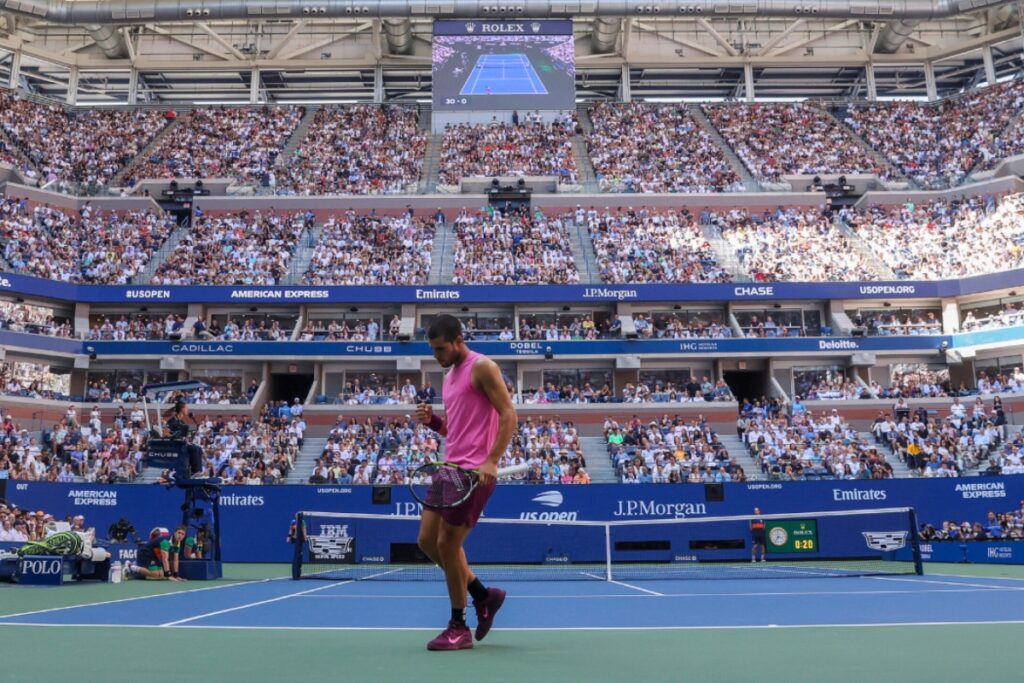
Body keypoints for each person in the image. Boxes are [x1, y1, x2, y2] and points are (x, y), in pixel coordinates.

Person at [415, 314, 517, 651]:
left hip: (474, 474)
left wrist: (492, 460)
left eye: (441, 349)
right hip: (448, 468)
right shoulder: (449, 376)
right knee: (427, 541)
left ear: (459, 340)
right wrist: (433, 422)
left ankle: (459, 626)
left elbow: (508, 415)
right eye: (433, 351)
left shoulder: (483, 367)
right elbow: (455, 431)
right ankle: (483, 595)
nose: (437, 355)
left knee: (447, 545)